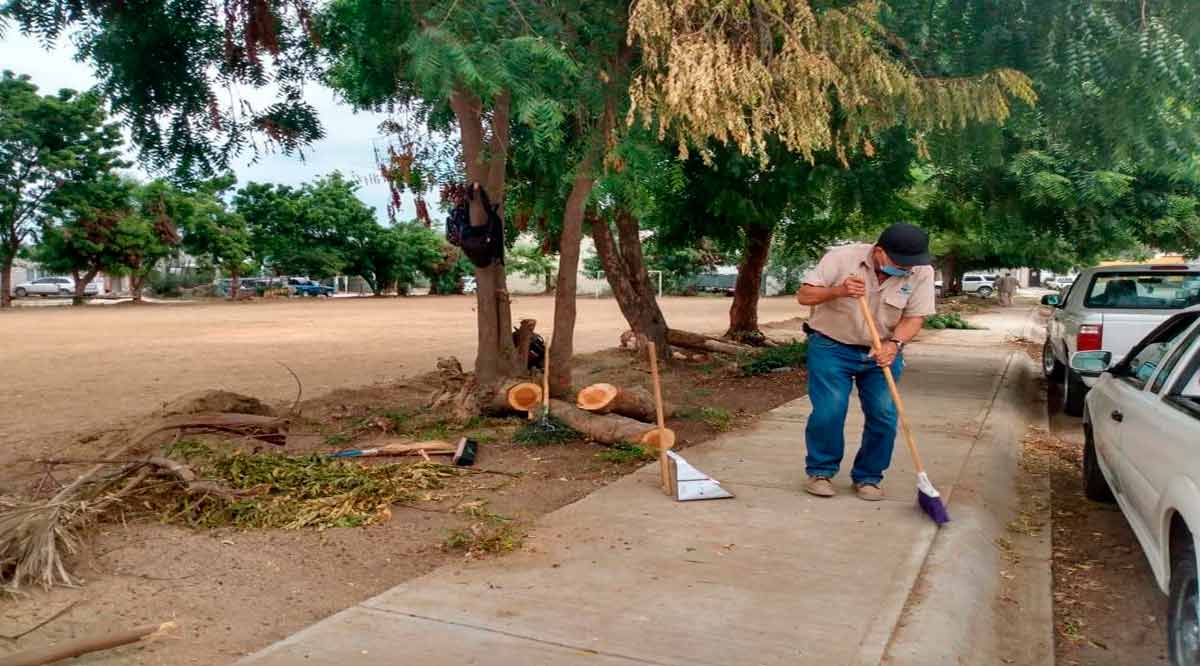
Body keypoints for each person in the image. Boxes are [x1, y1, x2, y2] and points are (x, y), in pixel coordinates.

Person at [795, 223, 936, 501]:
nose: (908, 269)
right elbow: (804, 295)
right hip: (831, 346)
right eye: (901, 262)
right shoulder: (841, 258)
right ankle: (821, 471)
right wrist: (839, 291)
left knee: (884, 415)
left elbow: (915, 317)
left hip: (881, 350)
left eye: (912, 264)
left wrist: (895, 344)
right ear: (880, 252)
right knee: (829, 411)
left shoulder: (921, 271)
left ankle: (869, 477)